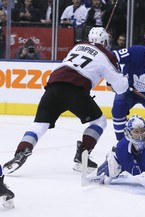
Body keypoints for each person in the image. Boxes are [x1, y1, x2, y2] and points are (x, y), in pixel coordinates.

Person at [3, 27, 129, 175]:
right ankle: (82, 156)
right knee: (99, 121)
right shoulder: (107, 55)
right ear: (106, 41)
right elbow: (121, 87)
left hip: (54, 85)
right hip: (75, 89)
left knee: (38, 126)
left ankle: (20, 154)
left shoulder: (78, 46)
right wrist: (122, 80)